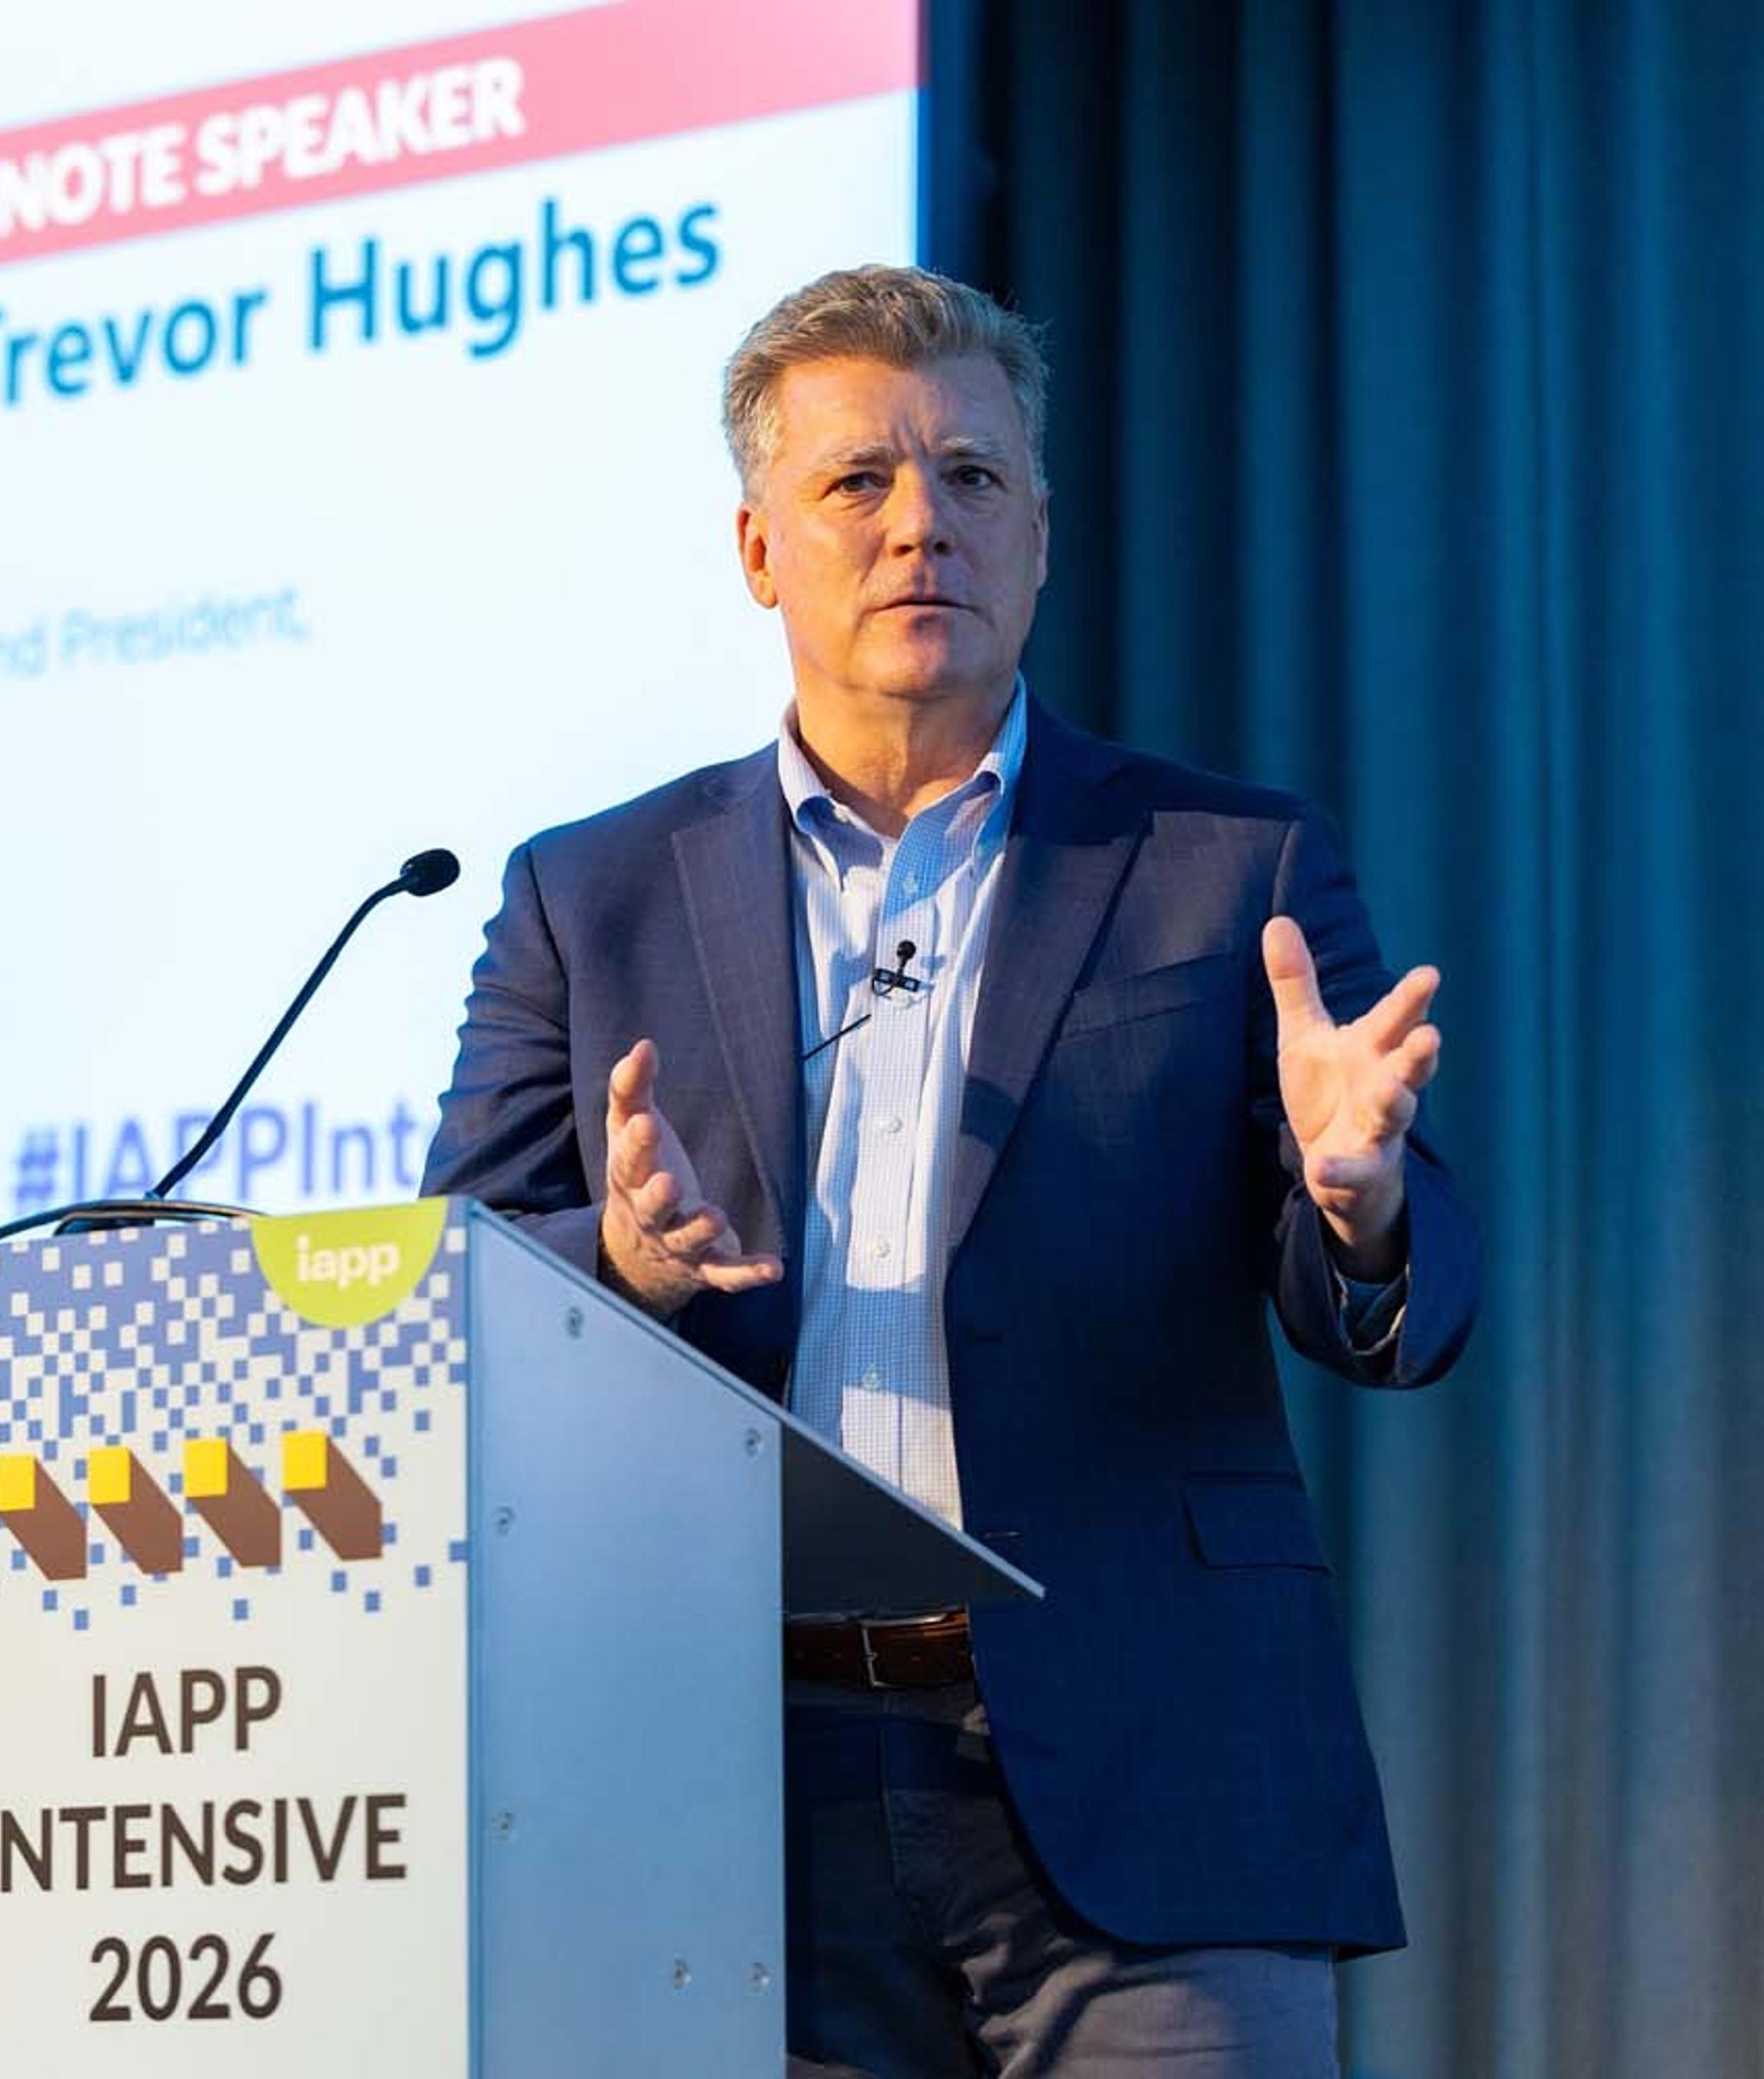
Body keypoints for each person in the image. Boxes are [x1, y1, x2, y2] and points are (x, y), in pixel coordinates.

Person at [420, 265, 1478, 2074]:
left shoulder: (1228, 861)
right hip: (734, 1789)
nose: (924, 526)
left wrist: (1355, 1201)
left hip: (1160, 1770)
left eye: (975, 480)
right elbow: (454, 1297)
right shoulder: (581, 893)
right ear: (760, 548)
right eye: (860, 485)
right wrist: (620, 1264)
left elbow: (1406, 1293)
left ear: (1042, 535)